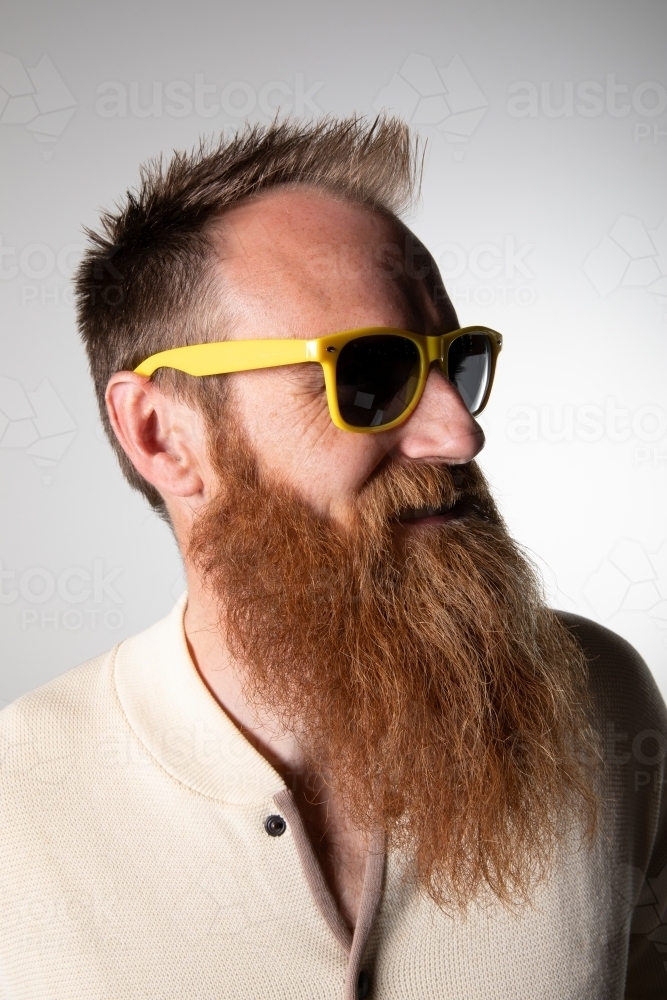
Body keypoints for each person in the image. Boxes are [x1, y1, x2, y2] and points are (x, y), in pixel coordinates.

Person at [0, 117, 665, 1000]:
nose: (458, 432)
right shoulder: (19, 804)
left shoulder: (602, 701)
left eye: (454, 363)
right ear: (162, 435)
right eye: (367, 376)